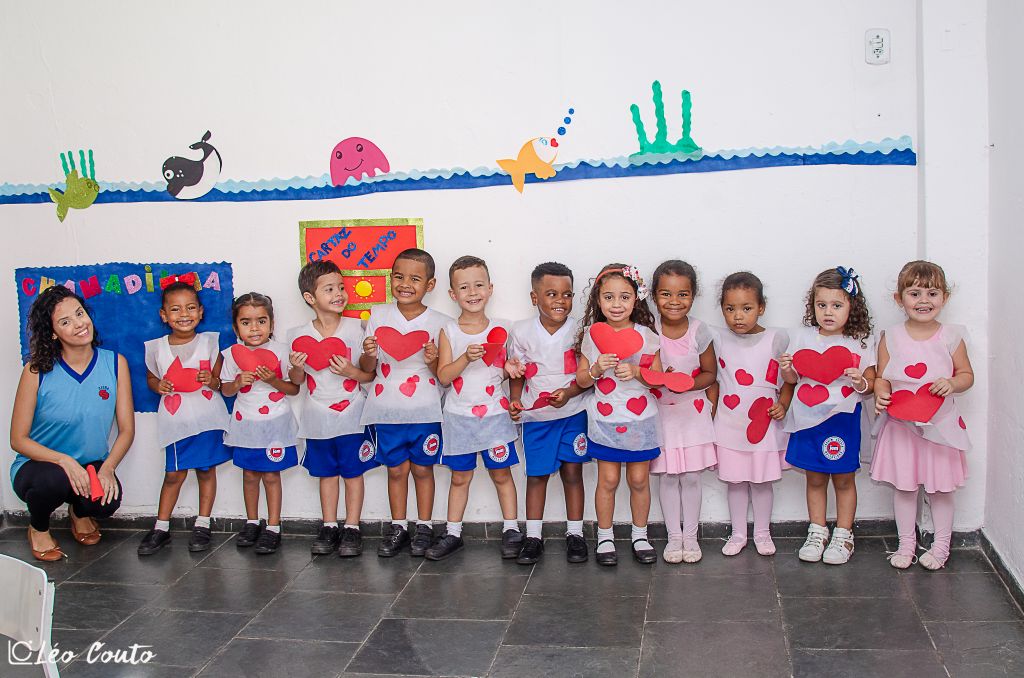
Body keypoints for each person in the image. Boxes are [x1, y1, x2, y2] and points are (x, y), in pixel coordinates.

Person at [10, 285, 134, 561]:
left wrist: (108, 468)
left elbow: (126, 430)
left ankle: (79, 513)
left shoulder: (115, 363)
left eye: (80, 314)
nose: (79, 324)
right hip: (41, 467)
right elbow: (18, 440)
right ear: (53, 333)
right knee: (53, 481)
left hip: (89, 466)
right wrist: (64, 461)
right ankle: (38, 528)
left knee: (107, 502)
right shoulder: (35, 371)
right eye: (65, 321)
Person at [871, 260, 973, 570]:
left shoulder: (951, 336)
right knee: (904, 487)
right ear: (899, 298)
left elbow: (967, 375)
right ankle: (906, 544)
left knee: (940, 489)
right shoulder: (890, 336)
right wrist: (880, 393)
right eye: (914, 294)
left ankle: (941, 547)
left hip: (940, 427)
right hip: (902, 427)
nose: (923, 301)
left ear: (945, 297)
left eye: (932, 293)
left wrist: (952, 383)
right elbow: (882, 376)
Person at [428, 256, 522, 560]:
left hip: (495, 416)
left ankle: (511, 529)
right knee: (460, 477)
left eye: (479, 285)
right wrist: (465, 358)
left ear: (490, 288)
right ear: (453, 294)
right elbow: (444, 376)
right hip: (459, 417)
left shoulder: (502, 329)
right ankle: (453, 533)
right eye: (464, 287)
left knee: (502, 474)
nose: (472, 292)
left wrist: (511, 368)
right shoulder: (449, 331)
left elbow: (502, 371)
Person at [780, 267, 875, 565]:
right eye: (821, 305)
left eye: (836, 305)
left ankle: (844, 534)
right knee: (815, 477)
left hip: (842, 419)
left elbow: (870, 384)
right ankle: (817, 531)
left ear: (852, 306)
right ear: (813, 306)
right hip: (807, 417)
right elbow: (793, 379)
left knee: (844, 478)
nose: (828, 312)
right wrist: (787, 369)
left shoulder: (860, 341)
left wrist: (860, 381)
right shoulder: (801, 337)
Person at [359, 248, 450, 557]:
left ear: (430, 284)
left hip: (425, 408)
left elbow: (443, 376)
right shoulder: (378, 315)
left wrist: (432, 360)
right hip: (387, 408)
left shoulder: (441, 322)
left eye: (415, 278)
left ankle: (424, 526)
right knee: (396, 470)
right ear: (390, 279)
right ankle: (398, 526)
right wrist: (368, 353)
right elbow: (368, 369)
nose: (405, 284)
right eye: (399, 277)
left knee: (423, 470)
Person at [287, 260, 378, 557]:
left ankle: (352, 526)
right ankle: (329, 525)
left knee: (353, 471)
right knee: (326, 473)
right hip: (317, 416)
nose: (339, 294)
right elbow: (297, 382)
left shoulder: (356, 329)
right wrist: (296, 368)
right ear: (310, 298)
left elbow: (368, 375)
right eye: (329, 289)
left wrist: (352, 370)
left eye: (341, 287)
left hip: (352, 413)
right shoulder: (298, 335)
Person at [574, 263, 662, 566]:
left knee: (639, 480)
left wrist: (637, 372)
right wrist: (596, 369)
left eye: (624, 297)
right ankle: (605, 537)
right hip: (606, 420)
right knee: (608, 480)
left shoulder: (647, 336)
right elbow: (581, 380)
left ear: (636, 299)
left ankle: (640, 536)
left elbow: (657, 378)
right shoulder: (592, 335)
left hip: (640, 421)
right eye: (608, 297)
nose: (616, 304)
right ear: (598, 300)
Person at [137, 277, 231, 555]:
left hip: (207, 419)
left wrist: (210, 380)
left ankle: (203, 523)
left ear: (200, 312)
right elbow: (151, 379)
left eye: (190, 307)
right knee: (174, 474)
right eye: (175, 309)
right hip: (177, 422)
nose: (184, 314)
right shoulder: (156, 348)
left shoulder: (210, 343)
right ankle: (161, 527)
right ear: (163, 315)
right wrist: (159, 386)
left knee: (206, 470)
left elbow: (220, 383)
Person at [507, 262, 590, 565]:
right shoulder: (521, 331)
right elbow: (517, 372)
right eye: (551, 294)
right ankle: (533, 537)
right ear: (535, 297)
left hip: (573, 413)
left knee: (573, 473)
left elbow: (588, 375)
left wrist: (569, 394)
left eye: (567, 295)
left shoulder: (582, 330)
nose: (560, 301)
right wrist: (515, 400)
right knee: (537, 475)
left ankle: (576, 534)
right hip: (537, 418)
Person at [713, 272, 793, 557]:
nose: (738, 316)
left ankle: (762, 532)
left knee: (761, 481)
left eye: (746, 308)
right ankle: (738, 534)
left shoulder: (776, 338)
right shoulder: (717, 338)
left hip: (763, 424)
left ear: (761, 307)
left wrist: (783, 404)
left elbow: (789, 381)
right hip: (729, 424)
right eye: (730, 309)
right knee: (735, 481)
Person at [648, 260, 718, 564]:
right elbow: (643, 371)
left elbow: (710, 373)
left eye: (683, 294)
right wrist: (659, 378)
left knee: (690, 477)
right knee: (667, 476)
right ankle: (673, 537)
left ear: (693, 295)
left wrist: (687, 383)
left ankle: (690, 536)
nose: (674, 301)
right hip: (661, 415)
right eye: (666, 294)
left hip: (693, 414)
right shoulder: (648, 330)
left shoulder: (700, 331)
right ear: (654, 295)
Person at [219, 292, 299, 555]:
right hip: (245, 424)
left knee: (271, 475)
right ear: (236, 328)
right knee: (249, 474)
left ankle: (273, 527)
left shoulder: (282, 351)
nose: (254, 328)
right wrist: (237, 383)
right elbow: (225, 390)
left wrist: (273, 380)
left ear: (271, 324)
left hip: (275, 423)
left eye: (261, 321)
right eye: (246, 322)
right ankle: (252, 522)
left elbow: (294, 389)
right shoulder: (231, 355)